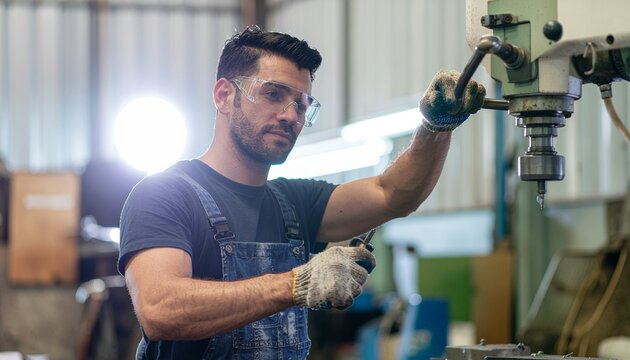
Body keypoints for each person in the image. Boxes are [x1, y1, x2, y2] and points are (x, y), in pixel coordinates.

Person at [118, 25, 486, 359]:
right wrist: (297, 283)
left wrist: (436, 126)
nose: (290, 115)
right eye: (273, 94)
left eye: (301, 104)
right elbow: (161, 309)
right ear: (225, 96)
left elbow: (393, 194)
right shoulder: (163, 194)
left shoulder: (294, 203)